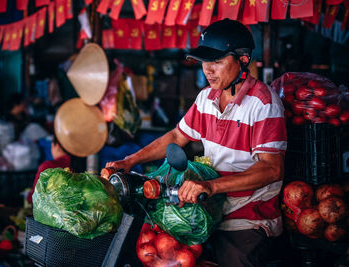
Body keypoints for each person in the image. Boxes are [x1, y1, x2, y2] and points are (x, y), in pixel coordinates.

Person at [106, 19, 287, 267]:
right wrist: (129, 161)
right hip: (207, 211)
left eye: (217, 61)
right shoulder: (206, 98)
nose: (208, 70)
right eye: (205, 62)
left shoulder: (264, 104)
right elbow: (176, 137)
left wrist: (211, 186)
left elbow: (271, 169)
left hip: (246, 218)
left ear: (243, 60)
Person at [27, 135, 74, 204]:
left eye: (51, 146)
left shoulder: (48, 166)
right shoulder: (79, 167)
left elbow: (34, 196)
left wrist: (27, 196)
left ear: (57, 146)